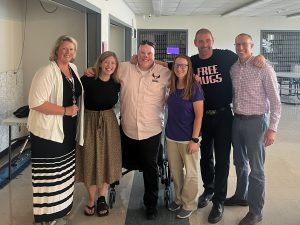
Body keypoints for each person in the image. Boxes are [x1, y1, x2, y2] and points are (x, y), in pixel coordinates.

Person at [85, 40, 171, 220]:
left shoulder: (164, 73)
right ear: (137, 54)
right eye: (142, 53)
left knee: (150, 168)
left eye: (149, 54)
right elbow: (106, 71)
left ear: (154, 56)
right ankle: (103, 194)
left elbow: (182, 76)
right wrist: (91, 71)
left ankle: (151, 205)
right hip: (127, 129)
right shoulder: (124, 68)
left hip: (151, 129)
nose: (145, 56)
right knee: (118, 162)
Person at [191, 28, 265, 224]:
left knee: (222, 159)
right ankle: (208, 189)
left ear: (213, 41)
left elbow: (245, 56)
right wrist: (141, 59)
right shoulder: (192, 61)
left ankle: (219, 201)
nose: (204, 44)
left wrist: (261, 57)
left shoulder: (226, 56)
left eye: (207, 40)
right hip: (202, 117)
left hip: (224, 116)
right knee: (205, 156)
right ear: (195, 43)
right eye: (200, 41)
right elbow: (172, 66)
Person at [27, 35, 84, 225]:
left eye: (71, 49)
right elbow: (35, 103)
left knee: (64, 174)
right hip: (48, 133)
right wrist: (65, 111)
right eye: (64, 49)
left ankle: (60, 209)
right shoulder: (46, 72)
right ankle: (45, 217)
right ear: (56, 51)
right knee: (49, 177)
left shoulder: (73, 69)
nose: (68, 52)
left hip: (67, 132)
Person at [226, 33, 281, 225]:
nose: (240, 48)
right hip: (237, 120)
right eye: (237, 44)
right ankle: (241, 195)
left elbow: (275, 101)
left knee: (256, 169)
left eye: (244, 44)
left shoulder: (264, 68)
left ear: (252, 45)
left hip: (257, 123)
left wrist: (272, 128)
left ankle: (256, 211)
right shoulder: (233, 68)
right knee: (240, 162)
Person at [75, 51, 122, 217]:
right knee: (89, 159)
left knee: (107, 159)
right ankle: (90, 199)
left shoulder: (116, 83)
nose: (109, 66)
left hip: (109, 122)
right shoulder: (87, 80)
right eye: (106, 62)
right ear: (100, 63)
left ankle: (102, 198)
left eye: (113, 63)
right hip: (89, 121)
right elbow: (73, 96)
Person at [165, 55, 204, 219]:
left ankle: (189, 203)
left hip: (188, 138)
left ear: (189, 69)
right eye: (177, 65)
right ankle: (179, 199)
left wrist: (195, 140)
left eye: (184, 66)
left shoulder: (194, 88)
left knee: (191, 173)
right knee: (175, 171)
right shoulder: (171, 85)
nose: (179, 68)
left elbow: (199, 116)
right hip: (171, 136)